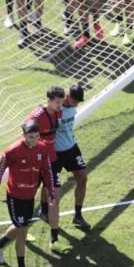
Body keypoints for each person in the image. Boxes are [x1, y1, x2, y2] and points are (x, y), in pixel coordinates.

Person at [0, 120, 55, 267]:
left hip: (30, 196)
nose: (34, 140)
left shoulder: (42, 148)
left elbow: (47, 170)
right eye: (30, 137)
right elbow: (0, 168)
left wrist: (51, 191)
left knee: (20, 227)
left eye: (37, 137)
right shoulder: (13, 151)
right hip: (15, 197)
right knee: (23, 230)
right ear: (23, 135)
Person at [26, 86, 69, 253]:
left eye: (61, 102)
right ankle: (22, 228)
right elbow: (26, 136)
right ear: (49, 101)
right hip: (36, 162)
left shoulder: (59, 112)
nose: (60, 105)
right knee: (28, 196)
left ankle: (54, 241)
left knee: (55, 199)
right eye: (57, 103)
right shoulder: (37, 117)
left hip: (52, 161)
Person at [54, 85, 90, 231]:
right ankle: (44, 211)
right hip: (54, 152)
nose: (76, 105)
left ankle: (78, 215)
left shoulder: (72, 107)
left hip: (71, 147)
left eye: (78, 102)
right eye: (74, 101)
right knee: (50, 184)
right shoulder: (55, 107)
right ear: (67, 95)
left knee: (82, 177)